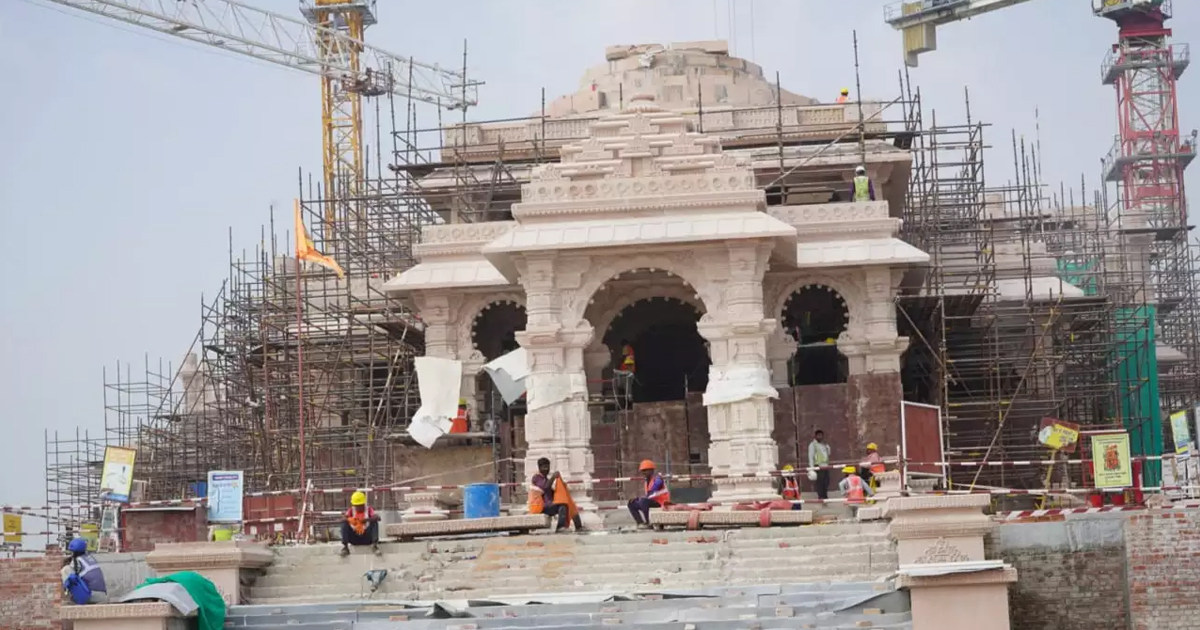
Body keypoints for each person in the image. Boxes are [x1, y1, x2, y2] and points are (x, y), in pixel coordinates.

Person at [530, 457, 584, 533]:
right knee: (563, 505)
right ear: (539, 468)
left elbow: (550, 491)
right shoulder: (536, 478)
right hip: (540, 507)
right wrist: (554, 477)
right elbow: (545, 487)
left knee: (570, 505)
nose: (546, 469)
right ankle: (560, 527)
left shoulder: (546, 479)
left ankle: (579, 527)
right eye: (544, 467)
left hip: (547, 505)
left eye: (547, 467)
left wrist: (562, 488)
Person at [61, 537, 108, 604]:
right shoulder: (91, 558)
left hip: (91, 595)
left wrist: (67, 585)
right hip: (103, 595)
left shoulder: (76, 561)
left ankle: (70, 599)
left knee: (66, 571)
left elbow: (70, 578)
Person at [628, 460, 669, 528]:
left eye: (645, 470)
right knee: (631, 503)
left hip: (661, 502)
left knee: (643, 501)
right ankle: (640, 523)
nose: (643, 472)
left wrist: (641, 498)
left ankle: (648, 523)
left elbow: (654, 489)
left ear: (652, 470)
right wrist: (637, 499)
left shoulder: (658, 478)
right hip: (651, 501)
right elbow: (648, 495)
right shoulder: (647, 481)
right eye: (642, 470)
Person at [340, 491, 381, 557]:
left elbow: (378, 518)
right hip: (354, 537)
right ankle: (345, 547)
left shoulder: (369, 510)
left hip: (367, 537)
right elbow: (342, 519)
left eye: (360, 505)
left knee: (374, 522)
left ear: (363, 504)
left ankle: (375, 546)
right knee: (344, 523)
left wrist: (366, 520)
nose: (359, 507)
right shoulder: (351, 510)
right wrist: (350, 520)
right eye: (357, 506)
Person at [808, 430, 832, 500]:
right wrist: (811, 468)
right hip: (818, 466)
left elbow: (828, 454)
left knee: (826, 482)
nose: (820, 437)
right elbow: (811, 456)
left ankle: (825, 495)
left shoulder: (824, 445)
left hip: (825, 466)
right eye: (818, 435)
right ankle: (821, 496)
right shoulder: (813, 445)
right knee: (820, 482)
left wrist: (828, 448)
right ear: (815, 436)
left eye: (821, 435)